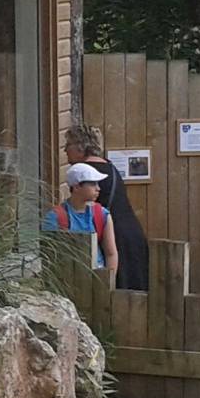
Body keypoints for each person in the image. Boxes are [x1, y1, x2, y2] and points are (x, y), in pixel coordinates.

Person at [64, 124, 149, 290]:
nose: (65, 150)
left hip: (115, 242)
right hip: (131, 238)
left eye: (69, 145)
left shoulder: (85, 174)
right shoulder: (109, 167)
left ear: (82, 147)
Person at [44, 162, 119, 287]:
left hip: (98, 282)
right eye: (92, 184)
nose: (98, 188)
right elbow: (49, 256)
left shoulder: (102, 214)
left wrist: (108, 283)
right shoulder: (55, 217)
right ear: (77, 187)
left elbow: (111, 253)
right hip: (66, 282)